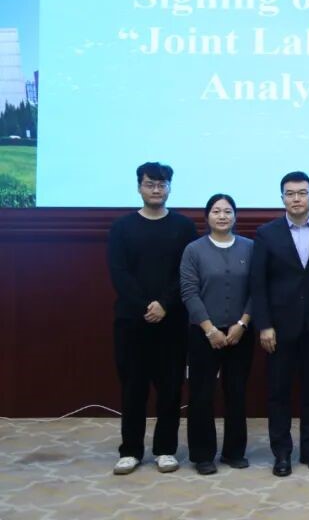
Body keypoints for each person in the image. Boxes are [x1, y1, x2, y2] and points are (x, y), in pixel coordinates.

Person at [107, 161, 197, 475]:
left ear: (169, 188)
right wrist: (146, 305)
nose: (156, 190)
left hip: (171, 322)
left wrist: (164, 305)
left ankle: (165, 449)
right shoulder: (122, 227)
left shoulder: (184, 227)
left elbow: (186, 273)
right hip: (131, 321)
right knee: (133, 388)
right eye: (150, 184)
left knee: (170, 388)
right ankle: (130, 450)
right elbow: (119, 272)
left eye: (162, 184)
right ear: (139, 187)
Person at [249, 171, 309, 477]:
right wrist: (264, 325)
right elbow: (258, 283)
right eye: (290, 193)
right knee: (279, 392)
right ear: (282, 198)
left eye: (302, 193)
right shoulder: (267, 233)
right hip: (279, 327)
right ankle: (282, 453)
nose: (296, 198)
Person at [179, 193, 254, 475]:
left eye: (228, 211)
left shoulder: (250, 247)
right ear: (207, 216)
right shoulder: (194, 250)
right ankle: (202, 455)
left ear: (235, 216)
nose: (222, 216)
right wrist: (209, 329)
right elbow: (189, 291)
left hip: (240, 333)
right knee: (201, 394)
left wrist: (242, 324)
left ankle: (234, 452)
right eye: (216, 211)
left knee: (236, 392)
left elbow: (257, 290)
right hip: (203, 333)